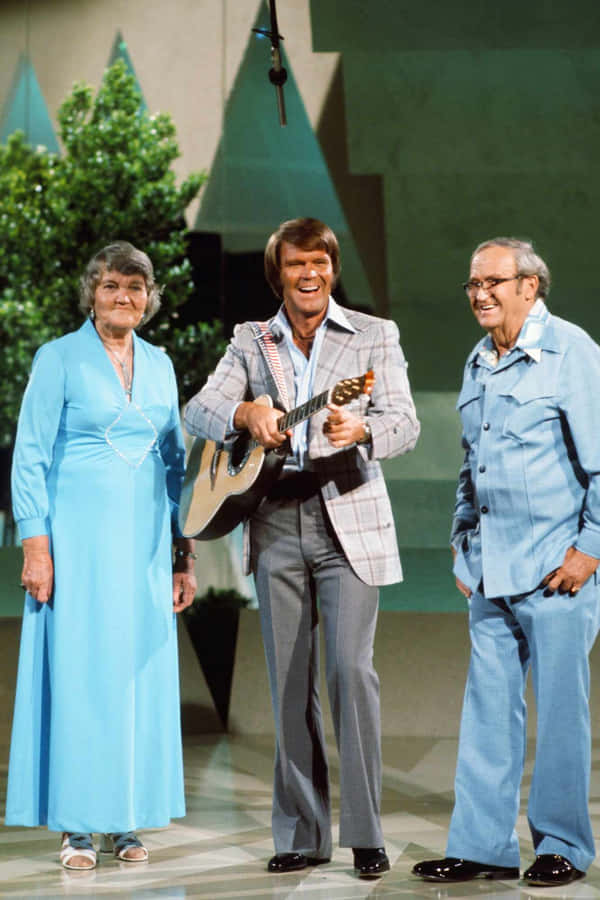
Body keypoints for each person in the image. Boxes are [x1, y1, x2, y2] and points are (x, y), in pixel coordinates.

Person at [184, 217, 419, 878]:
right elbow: (198, 410)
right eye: (296, 265)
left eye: (319, 262)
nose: (309, 275)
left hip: (347, 515)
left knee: (350, 672)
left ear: (332, 268)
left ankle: (367, 833)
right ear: (278, 274)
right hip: (275, 519)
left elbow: (405, 420)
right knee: (290, 686)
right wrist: (244, 414)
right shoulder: (251, 342)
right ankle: (300, 834)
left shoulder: (374, 336)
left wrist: (361, 430)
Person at [413, 237, 600, 887]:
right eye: (472, 284)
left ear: (531, 285)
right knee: (487, 713)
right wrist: (462, 544)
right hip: (491, 571)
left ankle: (563, 846)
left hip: (558, 571)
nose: (480, 294)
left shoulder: (570, 352)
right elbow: (473, 462)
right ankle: (482, 847)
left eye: (493, 282)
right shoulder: (478, 360)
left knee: (562, 714)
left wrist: (590, 550)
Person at [6, 241, 197, 870]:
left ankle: (125, 818)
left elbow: (176, 464)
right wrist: (36, 544)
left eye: (136, 288)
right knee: (81, 677)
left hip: (143, 545)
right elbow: (29, 454)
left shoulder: (162, 365)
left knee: (135, 679)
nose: (125, 297)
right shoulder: (58, 358)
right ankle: (76, 827)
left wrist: (182, 551)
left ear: (149, 298)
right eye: (113, 285)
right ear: (93, 290)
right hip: (76, 543)